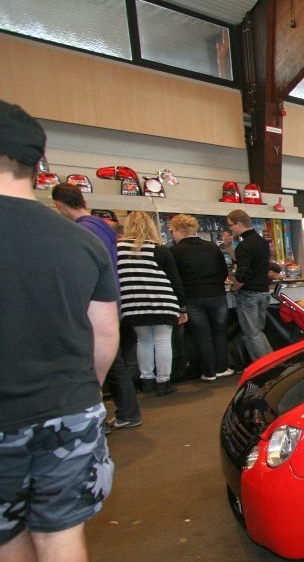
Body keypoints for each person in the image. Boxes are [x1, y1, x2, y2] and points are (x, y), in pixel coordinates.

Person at [0, 100, 116, 562]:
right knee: (60, 532)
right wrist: (85, 393)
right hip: (68, 409)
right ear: (36, 165)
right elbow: (105, 335)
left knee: (5, 533)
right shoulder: (83, 242)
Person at [51, 184, 141, 431]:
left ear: (59, 204)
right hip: (107, 302)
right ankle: (126, 412)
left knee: (101, 363)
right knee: (113, 361)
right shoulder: (100, 228)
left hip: (94, 304)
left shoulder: (82, 231)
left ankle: (103, 417)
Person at [118, 211, 187, 396]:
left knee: (143, 341)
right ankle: (163, 382)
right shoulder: (158, 249)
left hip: (133, 304)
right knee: (163, 341)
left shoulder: (118, 249)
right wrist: (182, 306)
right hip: (163, 302)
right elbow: (175, 280)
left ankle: (146, 380)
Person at [168, 214, 233, 382]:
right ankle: (222, 367)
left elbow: (174, 279)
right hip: (217, 294)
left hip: (192, 297)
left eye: (172, 231)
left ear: (180, 230)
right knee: (220, 332)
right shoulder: (212, 247)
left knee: (202, 335)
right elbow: (223, 271)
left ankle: (209, 372)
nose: (172, 234)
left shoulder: (174, 252)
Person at [227, 209, 274, 362]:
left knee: (252, 334)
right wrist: (229, 248)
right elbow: (244, 261)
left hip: (249, 295)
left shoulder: (245, 245)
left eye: (231, 225)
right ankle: (272, 363)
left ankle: (262, 367)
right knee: (258, 332)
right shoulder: (261, 242)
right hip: (263, 292)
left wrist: (234, 287)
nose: (231, 229)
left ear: (239, 224)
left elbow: (243, 274)